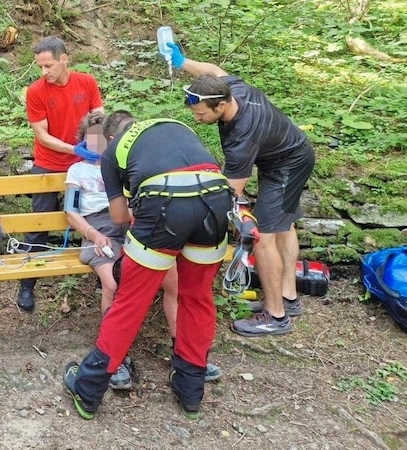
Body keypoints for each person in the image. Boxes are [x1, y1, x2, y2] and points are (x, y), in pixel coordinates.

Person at [63, 111, 232, 420]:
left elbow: (119, 217)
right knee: (197, 297)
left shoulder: (115, 151)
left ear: (110, 138)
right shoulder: (174, 125)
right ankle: (190, 390)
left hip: (165, 204)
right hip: (217, 201)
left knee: (130, 300)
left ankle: (87, 389)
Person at [167, 43, 316, 337]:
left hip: (288, 166)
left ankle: (276, 316)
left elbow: (229, 192)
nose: (196, 120)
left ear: (220, 106)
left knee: (261, 237)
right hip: (286, 156)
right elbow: (213, 71)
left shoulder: (242, 137)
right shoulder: (231, 88)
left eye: (200, 115)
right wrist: (182, 61)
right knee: (284, 227)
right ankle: (287, 296)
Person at [20, 36, 105, 312]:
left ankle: (104, 276)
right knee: (38, 226)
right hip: (49, 161)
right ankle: (27, 284)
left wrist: (97, 147)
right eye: (40, 67)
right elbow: (42, 135)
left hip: (86, 161)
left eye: (49, 66)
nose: (44, 72)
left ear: (64, 59)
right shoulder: (36, 91)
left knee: (99, 214)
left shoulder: (86, 82)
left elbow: (99, 119)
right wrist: (74, 149)